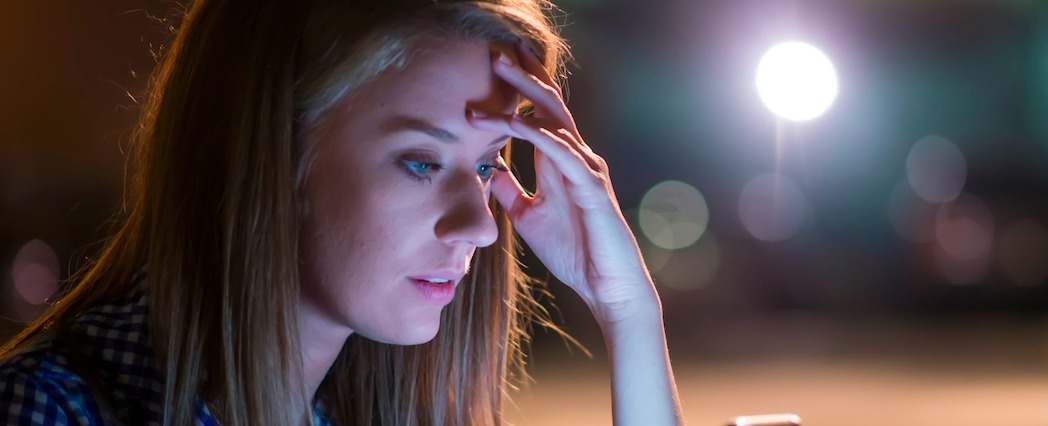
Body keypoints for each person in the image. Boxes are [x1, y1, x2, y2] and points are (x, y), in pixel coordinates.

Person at [0, 0, 684, 424]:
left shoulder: (355, 410)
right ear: (267, 151)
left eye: (487, 165)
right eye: (421, 161)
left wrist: (626, 308)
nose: (480, 224)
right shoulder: (49, 410)